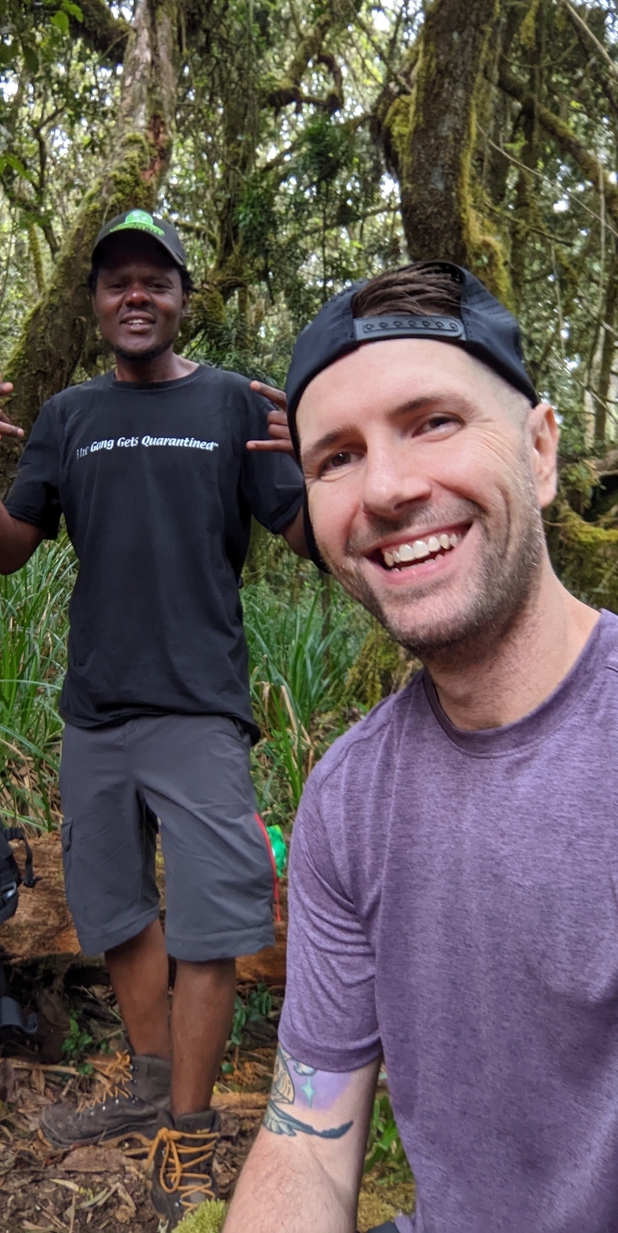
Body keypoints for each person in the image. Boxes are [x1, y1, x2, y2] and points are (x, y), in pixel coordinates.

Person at [225, 261, 618, 1233]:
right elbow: (308, 1138)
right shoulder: (349, 799)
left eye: (433, 421)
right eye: (336, 458)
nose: (390, 488)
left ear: (540, 449)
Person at [0, 209, 306, 1230]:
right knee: (115, 913)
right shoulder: (67, 414)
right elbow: (12, 548)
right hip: (95, 710)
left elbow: (306, 529)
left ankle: (188, 1128)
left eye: (156, 279)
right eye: (117, 283)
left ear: (185, 296)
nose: (135, 294)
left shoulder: (235, 402)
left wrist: (329, 454)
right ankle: (149, 1081)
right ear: (98, 303)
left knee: (212, 925)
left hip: (199, 708)